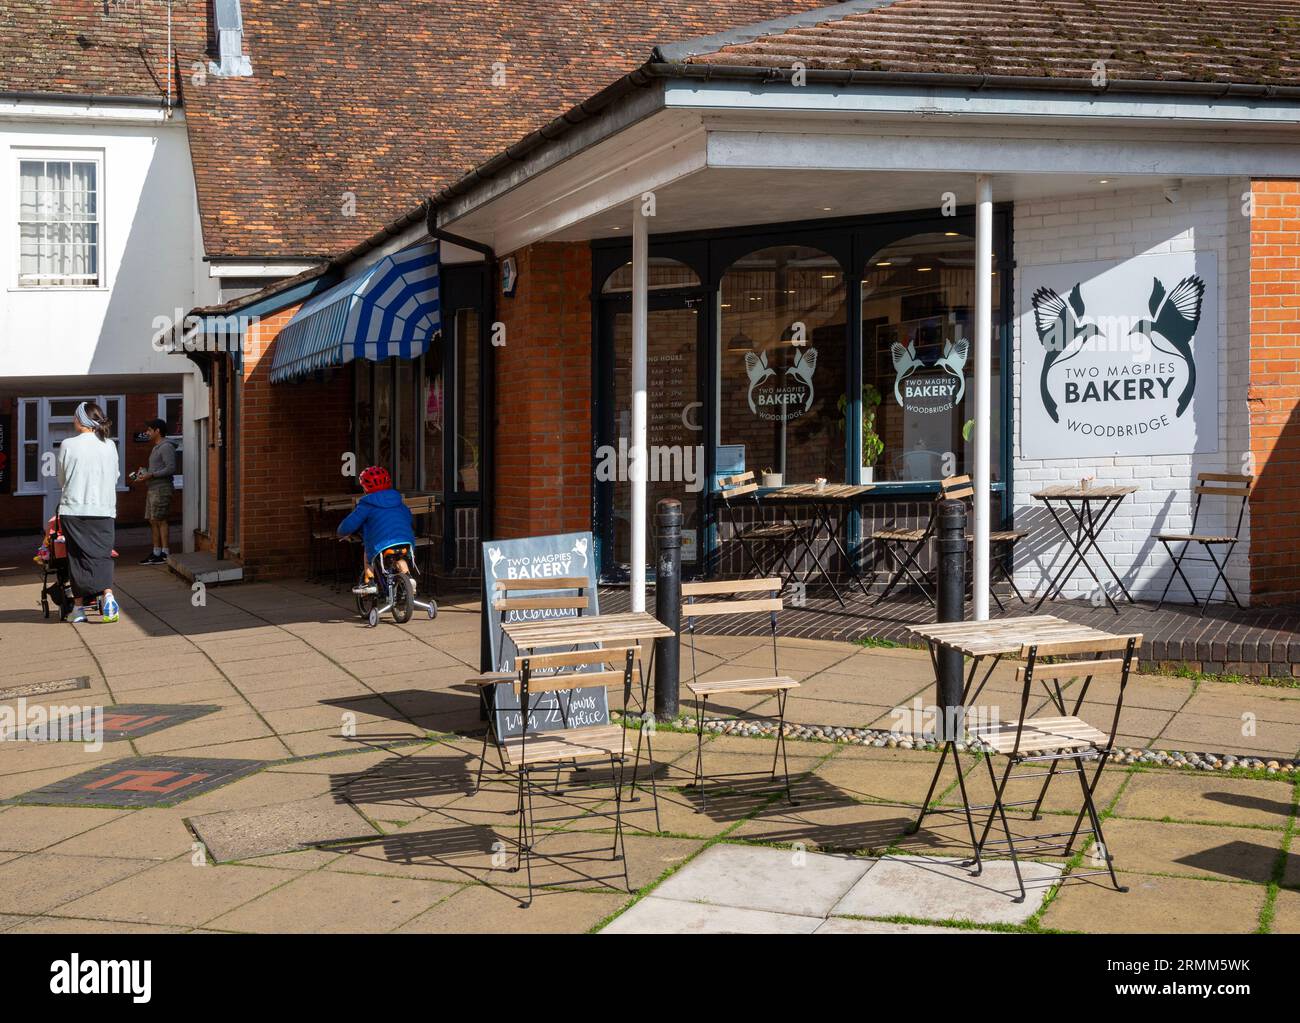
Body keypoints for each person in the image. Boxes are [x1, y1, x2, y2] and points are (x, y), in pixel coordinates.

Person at [57, 401, 121, 624]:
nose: (73, 420)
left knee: (77, 558)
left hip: (74, 509)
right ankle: (108, 597)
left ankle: (78, 609)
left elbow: (61, 478)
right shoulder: (109, 445)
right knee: (102, 555)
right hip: (104, 509)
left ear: (80, 420)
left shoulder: (68, 444)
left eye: (75, 416)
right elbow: (115, 476)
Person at [337, 466, 416, 596]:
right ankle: (408, 577)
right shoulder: (398, 501)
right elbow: (409, 518)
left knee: (368, 552)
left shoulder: (366, 504)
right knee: (400, 557)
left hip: (380, 543)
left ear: (365, 487)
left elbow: (350, 524)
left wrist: (341, 532)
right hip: (405, 540)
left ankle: (369, 581)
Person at [131, 417, 177, 565]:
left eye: (149, 430)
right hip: (153, 488)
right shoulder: (156, 447)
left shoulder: (166, 447)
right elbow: (158, 469)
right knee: (153, 520)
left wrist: (151, 475)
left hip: (162, 489)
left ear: (158, 431)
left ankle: (165, 553)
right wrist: (145, 473)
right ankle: (156, 552)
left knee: (161, 520)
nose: (147, 432)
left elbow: (171, 468)